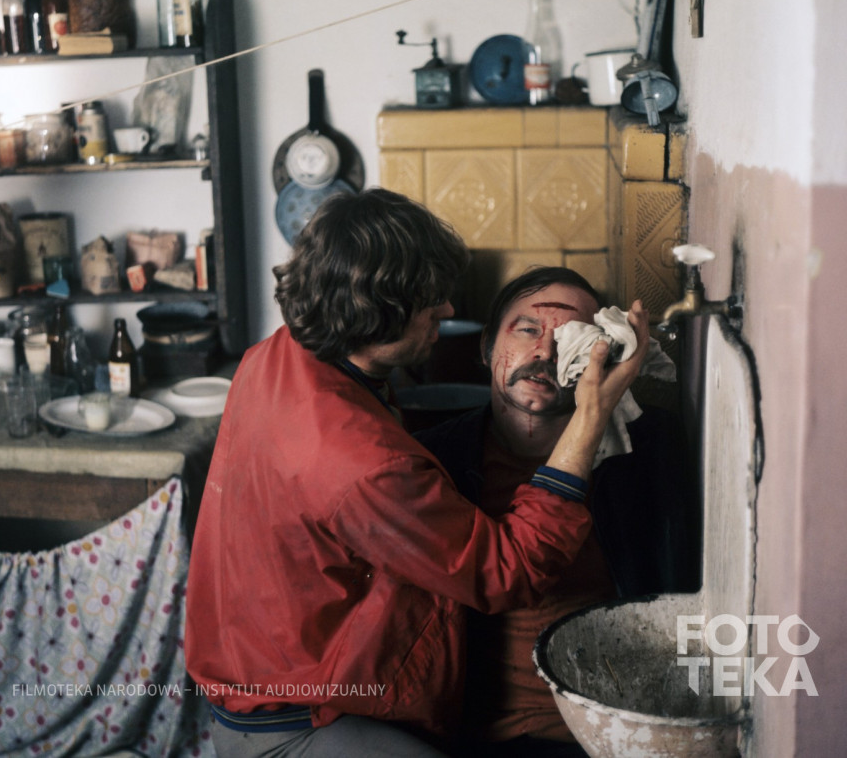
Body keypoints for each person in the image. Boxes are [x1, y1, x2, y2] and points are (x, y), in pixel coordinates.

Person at [184, 189, 651, 758]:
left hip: (263, 673)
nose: (447, 310)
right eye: (432, 300)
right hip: (299, 718)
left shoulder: (275, 356)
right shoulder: (364, 463)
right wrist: (593, 414)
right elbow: (506, 572)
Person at [416, 266, 694, 757]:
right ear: (486, 346)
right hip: (469, 737)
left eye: (571, 337)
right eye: (527, 330)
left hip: (615, 731)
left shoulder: (649, 451)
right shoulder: (435, 461)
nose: (544, 352)